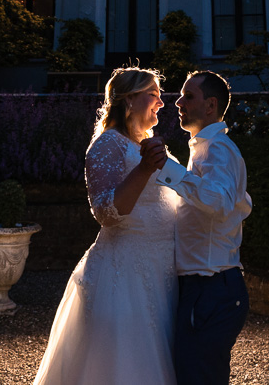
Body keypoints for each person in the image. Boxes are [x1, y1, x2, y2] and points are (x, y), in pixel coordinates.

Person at [32, 66, 176, 385]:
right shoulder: (106, 145)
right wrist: (143, 169)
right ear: (128, 100)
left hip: (164, 269)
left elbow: (179, 197)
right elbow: (106, 213)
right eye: (154, 95)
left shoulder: (149, 143)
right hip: (126, 274)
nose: (162, 103)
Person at [170, 70, 252, 385]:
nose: (178, 102)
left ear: (210, 105)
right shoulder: (203, 149)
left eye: (188, 96)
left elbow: (218, 201)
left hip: (211, 287)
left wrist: (171, 172)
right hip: (203, 288)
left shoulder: (219, 148)